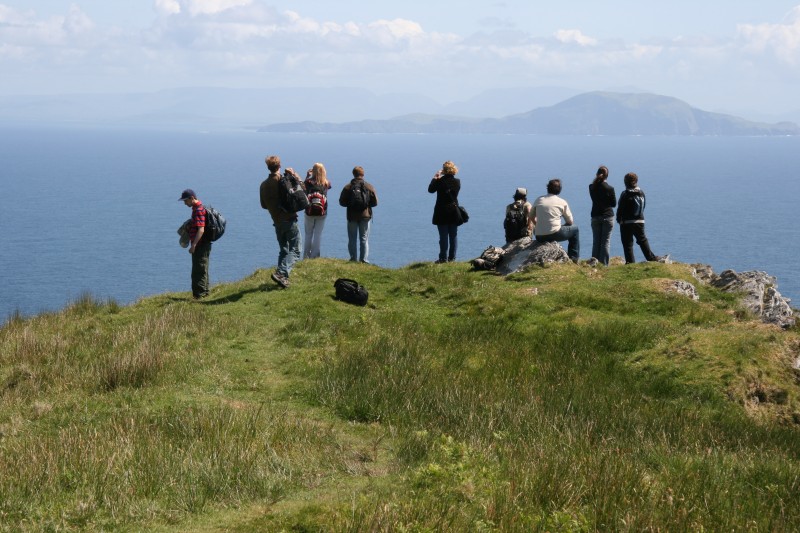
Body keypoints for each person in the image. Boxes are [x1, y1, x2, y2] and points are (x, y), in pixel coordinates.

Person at [260, 155, 301, 288]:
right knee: (296, 249)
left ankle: (282, 279)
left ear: (268, 167)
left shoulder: (263, 185)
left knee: (284, 250)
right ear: (279, 166)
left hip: (276, 220)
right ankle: (281, 273)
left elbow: (263, 205)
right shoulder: (283, 181)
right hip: (288, 219)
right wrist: (294, 176)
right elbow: (300, 192)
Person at [616, 172, 663, 264]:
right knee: (642, 240)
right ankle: (651, 258)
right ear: (636, 181)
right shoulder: (641, 193)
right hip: (639, 220)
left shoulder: (624, 194)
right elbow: (643, 206)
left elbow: (620, 208)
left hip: (626, 222)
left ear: (625, 182)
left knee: (627, 243)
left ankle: (630, 262)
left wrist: (619, 219)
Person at [532, 179, 580, 262]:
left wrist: (538, 225)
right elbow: (570, 222)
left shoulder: (539, 200)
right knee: (575, 229)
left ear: (548, 188)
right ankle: (574, 258)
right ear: (559, 189)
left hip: (539, 235)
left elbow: (531, 216)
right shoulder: (562, 202)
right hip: (555, 234)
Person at [338, 166, 378, 263]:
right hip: (365, 216)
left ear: (353, 174)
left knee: (352, 238)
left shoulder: (347, 187)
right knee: (364, 238)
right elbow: (375, 202)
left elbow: (341, 202)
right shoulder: (369, 187)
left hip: (352, 216)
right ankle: (363, 259)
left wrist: (351, 204)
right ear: (363, 174)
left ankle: (353, 259)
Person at [179, 189, 211, 299]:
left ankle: (199, 296)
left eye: (185, 201)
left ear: (192, 198)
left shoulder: (198, 210)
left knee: (198, 270)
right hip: (203, 244)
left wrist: (194, 245)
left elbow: (201, 230)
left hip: (200, 245)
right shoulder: (197, 209)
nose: (184, 203)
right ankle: (204, 293)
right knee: (202, 269)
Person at [427, 160, 462, 262]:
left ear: (444, 170)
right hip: (454, 211)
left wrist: (435, 177)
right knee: (453, 236)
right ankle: (452, 258)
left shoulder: (440, 181)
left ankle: (443, 258)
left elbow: (430, 190)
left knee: (443, 236)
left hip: (441, 211)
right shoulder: (457, 182)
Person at [588, 166, 617, 266]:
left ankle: (593, 263)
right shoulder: (610, 188)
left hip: (595, 216)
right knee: (605, 242)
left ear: (597, 174)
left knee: (596, 241)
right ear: (607, 176)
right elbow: (613, 204)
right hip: (607, 216)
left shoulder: (591, 187)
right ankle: (604, 264)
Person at [303, 162, 331, 259]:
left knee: (308, 234)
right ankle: (314, 256)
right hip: (322, 212)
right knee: (318, 234)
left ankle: (306, 255)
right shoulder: (326, 183)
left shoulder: (308, 182)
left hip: (309, 212)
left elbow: (303, 189)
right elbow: (328, 186)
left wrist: (308, 176)